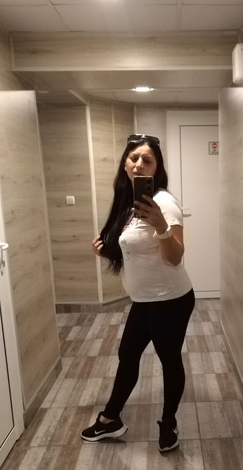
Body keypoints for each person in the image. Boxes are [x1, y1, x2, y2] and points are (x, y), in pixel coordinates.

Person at [81, 134, 195, 451]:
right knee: (128, 355)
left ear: (157, 168)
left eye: (147, 160)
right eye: (134, 158)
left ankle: (168, 422)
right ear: (125, 164)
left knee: (169, 360)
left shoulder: (164, 204)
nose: (139, 164)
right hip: (144, 300)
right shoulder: (129, 203)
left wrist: (161, 226)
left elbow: (175, 257)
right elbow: (133, 248)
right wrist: (105, 250)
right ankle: (110, 419)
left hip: (170, 300)